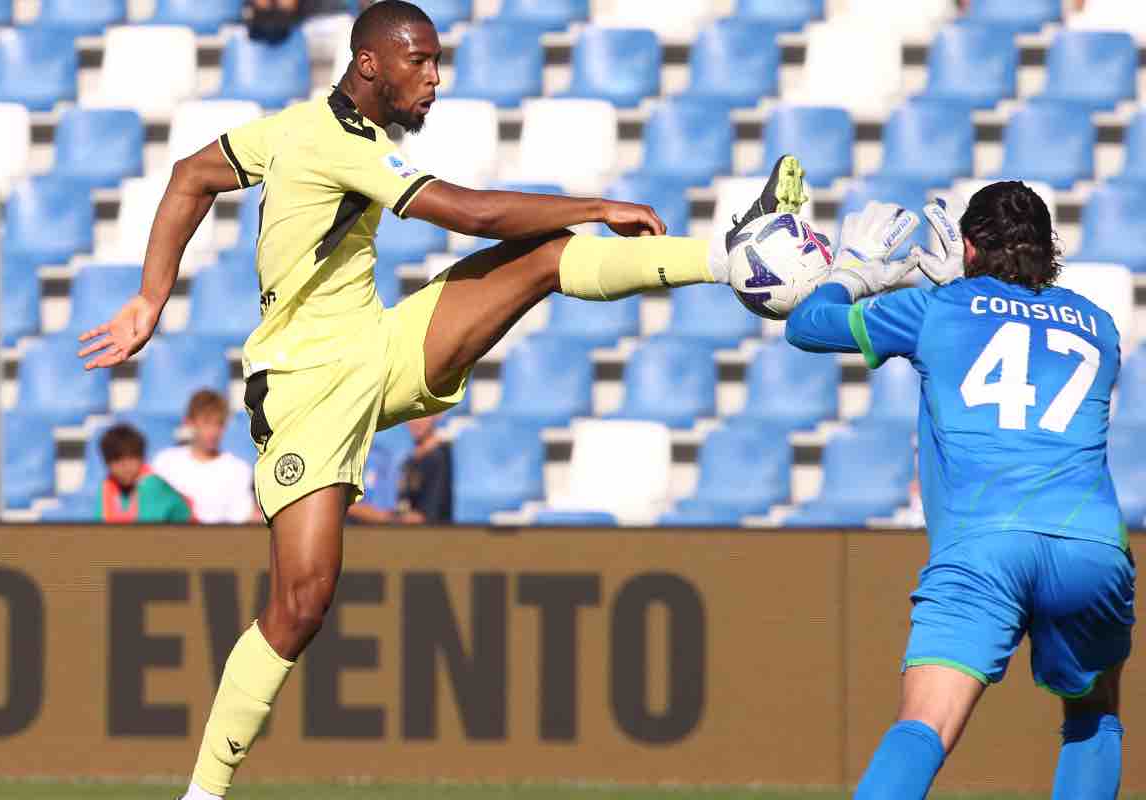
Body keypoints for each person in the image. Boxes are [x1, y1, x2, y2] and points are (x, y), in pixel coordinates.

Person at [74, 2, 807, 796]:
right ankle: (203, 792)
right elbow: (474, 213)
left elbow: (192, 176)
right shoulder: (330, 141)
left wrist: (151, 299)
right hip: (306, 389)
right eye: (418, 62)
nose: (433, 79)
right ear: (369, 66)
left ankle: (732, 254)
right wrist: (597, 203)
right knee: (301, 601)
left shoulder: (296, 129)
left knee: (543, 258)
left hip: (376, 349)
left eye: (436, 62)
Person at [785, 184, 1134, 799]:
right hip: (1091, 547)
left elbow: (809, 327)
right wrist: (962, 287)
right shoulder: (1099, 325)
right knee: (1092, 714)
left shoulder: (938, 309)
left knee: (924, 726)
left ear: (967, 246)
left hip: (984, 549)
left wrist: (853, 271)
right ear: (1050, 248)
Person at [152, 390, 258, 524]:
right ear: (189, 422)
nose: (213, 431)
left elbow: (241, 521)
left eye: (219, 424)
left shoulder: (239, 470)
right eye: (207, 423)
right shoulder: (164, 463)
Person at [97, 424, 193, 523]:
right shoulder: (106, 487)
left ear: (142, 458)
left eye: (131, 458)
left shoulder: (153, 486)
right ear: (107, 463)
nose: (125, 466)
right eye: (117, 460)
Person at [397, 414, 451, 523]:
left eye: (423, 414)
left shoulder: (438, 457)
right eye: (411, 414)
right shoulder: (410, 458)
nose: (416, 421)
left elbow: (428, 516)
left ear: (437, 415)